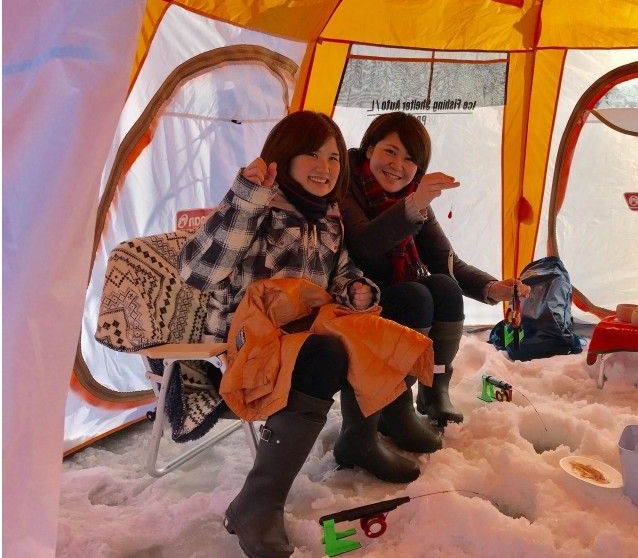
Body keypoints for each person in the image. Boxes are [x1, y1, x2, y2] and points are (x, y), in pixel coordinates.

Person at [177, 111, 427, 558]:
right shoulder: (257, 206)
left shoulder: (330, 217)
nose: (325, 167)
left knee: (392, 322)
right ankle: (259, 502)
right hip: (248, 346)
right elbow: (198, 271)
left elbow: (344, 275)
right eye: (311, 154)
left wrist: (358, 292)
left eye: (333, 157)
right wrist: (246, 197)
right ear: (284, 157)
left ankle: (361, 439)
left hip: (304, 337)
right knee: (326, 353)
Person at [340, 112, 530, 439]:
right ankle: (393, 404)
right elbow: (364, 245)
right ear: (369, 149)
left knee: (443, 287)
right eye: (390, 151)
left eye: (410, 159)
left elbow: (446, 261)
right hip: (354, 297)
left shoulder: (412, 198)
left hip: (395, 298)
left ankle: (433, 387)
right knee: (416, 295)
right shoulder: (347, 186)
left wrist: (491, 287)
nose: (398, 165)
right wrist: (413, 205)